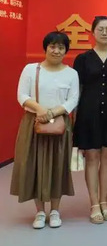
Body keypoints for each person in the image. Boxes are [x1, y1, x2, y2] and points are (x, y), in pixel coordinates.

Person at [11, 32, 79, 229]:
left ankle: (55, 210)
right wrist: (40, 110)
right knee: (34, 165)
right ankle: (40, 211)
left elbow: (73, 99)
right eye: (52, 46)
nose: (56, 51)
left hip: (59, 125)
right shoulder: (31, 69)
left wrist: (52, 113)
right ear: (46, 48)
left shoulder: (71, 74)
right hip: (33, 123)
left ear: (66, 51)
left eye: (61, 47)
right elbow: (22, 95)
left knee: (58, 166)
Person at [73, 16, 107, 224]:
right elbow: (78, 89)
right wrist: (75, 118)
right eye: (100, 29)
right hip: (88, 113)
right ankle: (94, 203)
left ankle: (105, 201)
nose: (104, 33)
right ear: (93, 32)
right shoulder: (83, 59)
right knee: (92, 158)